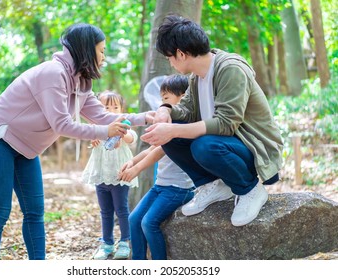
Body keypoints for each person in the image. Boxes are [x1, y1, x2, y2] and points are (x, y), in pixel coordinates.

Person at [0, 23, 154, 260]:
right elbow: (62, 125)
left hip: (26, 149)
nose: (103, 57)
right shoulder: (53, 74)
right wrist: (106, 132)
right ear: (86, 50)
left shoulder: (80, 82)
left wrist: (145, 117)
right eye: (101, 51)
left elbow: (103, 116)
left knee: (35, 212)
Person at [141, 15, 283, 227]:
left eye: (169, 57)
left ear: (181, 54)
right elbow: (187, 110)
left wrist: (172, 130)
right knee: (172, 136)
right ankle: (214, 185)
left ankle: (250, 189)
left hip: (253, 149)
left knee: (202, 144)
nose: (170, 62)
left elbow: (226, 124)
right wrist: (165, 109)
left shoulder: (230, 69)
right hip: (227, 146)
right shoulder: (196, 76)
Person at [118, 74, 195, 260]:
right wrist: (132, 161)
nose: (162, 105)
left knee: (148, 223)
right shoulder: (168, 124)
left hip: (178, 189)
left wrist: (136, 170)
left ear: (183, 97)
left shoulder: (183, 124)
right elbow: (151, 149)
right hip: (161, 186)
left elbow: (160, 151)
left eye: (166, 99)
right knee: (134, 220)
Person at [81, 90, 138, 260]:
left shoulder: (125, 127)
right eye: (106, 107)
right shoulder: (97, 128)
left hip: (119, 176)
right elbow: (91, 140)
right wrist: (94, 139)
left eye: (115, 107)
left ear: (122, 110)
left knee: (121, 210)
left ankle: (125, 242)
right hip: (101, 175)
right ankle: (106, 243)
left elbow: (132, 138)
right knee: (105, 211)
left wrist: (123, 134)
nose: (111, 111)